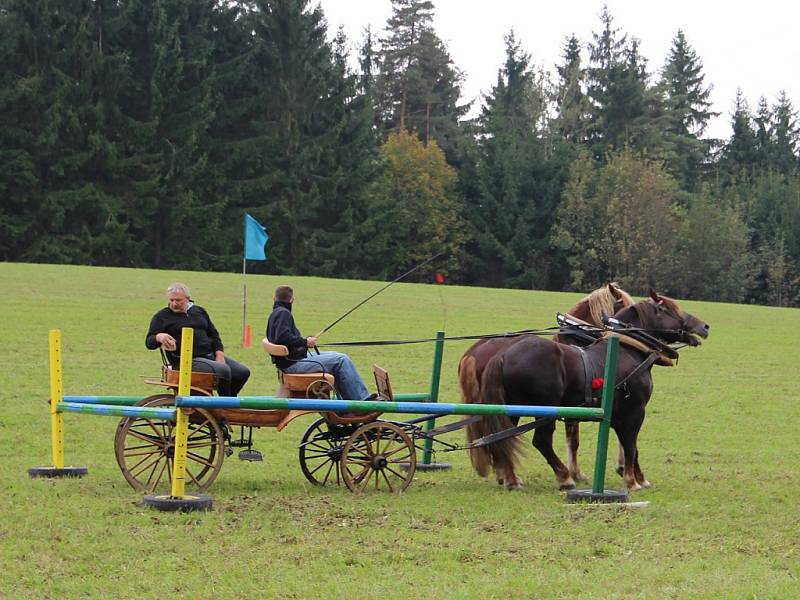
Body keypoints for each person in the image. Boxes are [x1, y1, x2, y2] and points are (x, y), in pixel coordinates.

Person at [266, 285, 376, 401]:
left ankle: (347, 401)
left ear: (274, 298)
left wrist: (305, 341)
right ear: (292, 300)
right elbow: (282, 337)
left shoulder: (275, 313)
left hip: (290, 360)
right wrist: (305, 342)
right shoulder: (283, 313)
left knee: (336, 355)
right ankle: (361, 401)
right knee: (341, 360)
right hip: (293, 364)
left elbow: (285, 338)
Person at [145, 282, 250, 397]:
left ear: (188, 299)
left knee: (242, 372)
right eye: (171, 300)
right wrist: (159, 337)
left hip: (209, 355)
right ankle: (224, 406)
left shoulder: (199, 311)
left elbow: (214, 335)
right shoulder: (162, 316)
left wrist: (219, 355)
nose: (174, 304)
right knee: (223, 370)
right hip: (186, 361)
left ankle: (230, 400)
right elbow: (149, 342)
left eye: (178, 300)